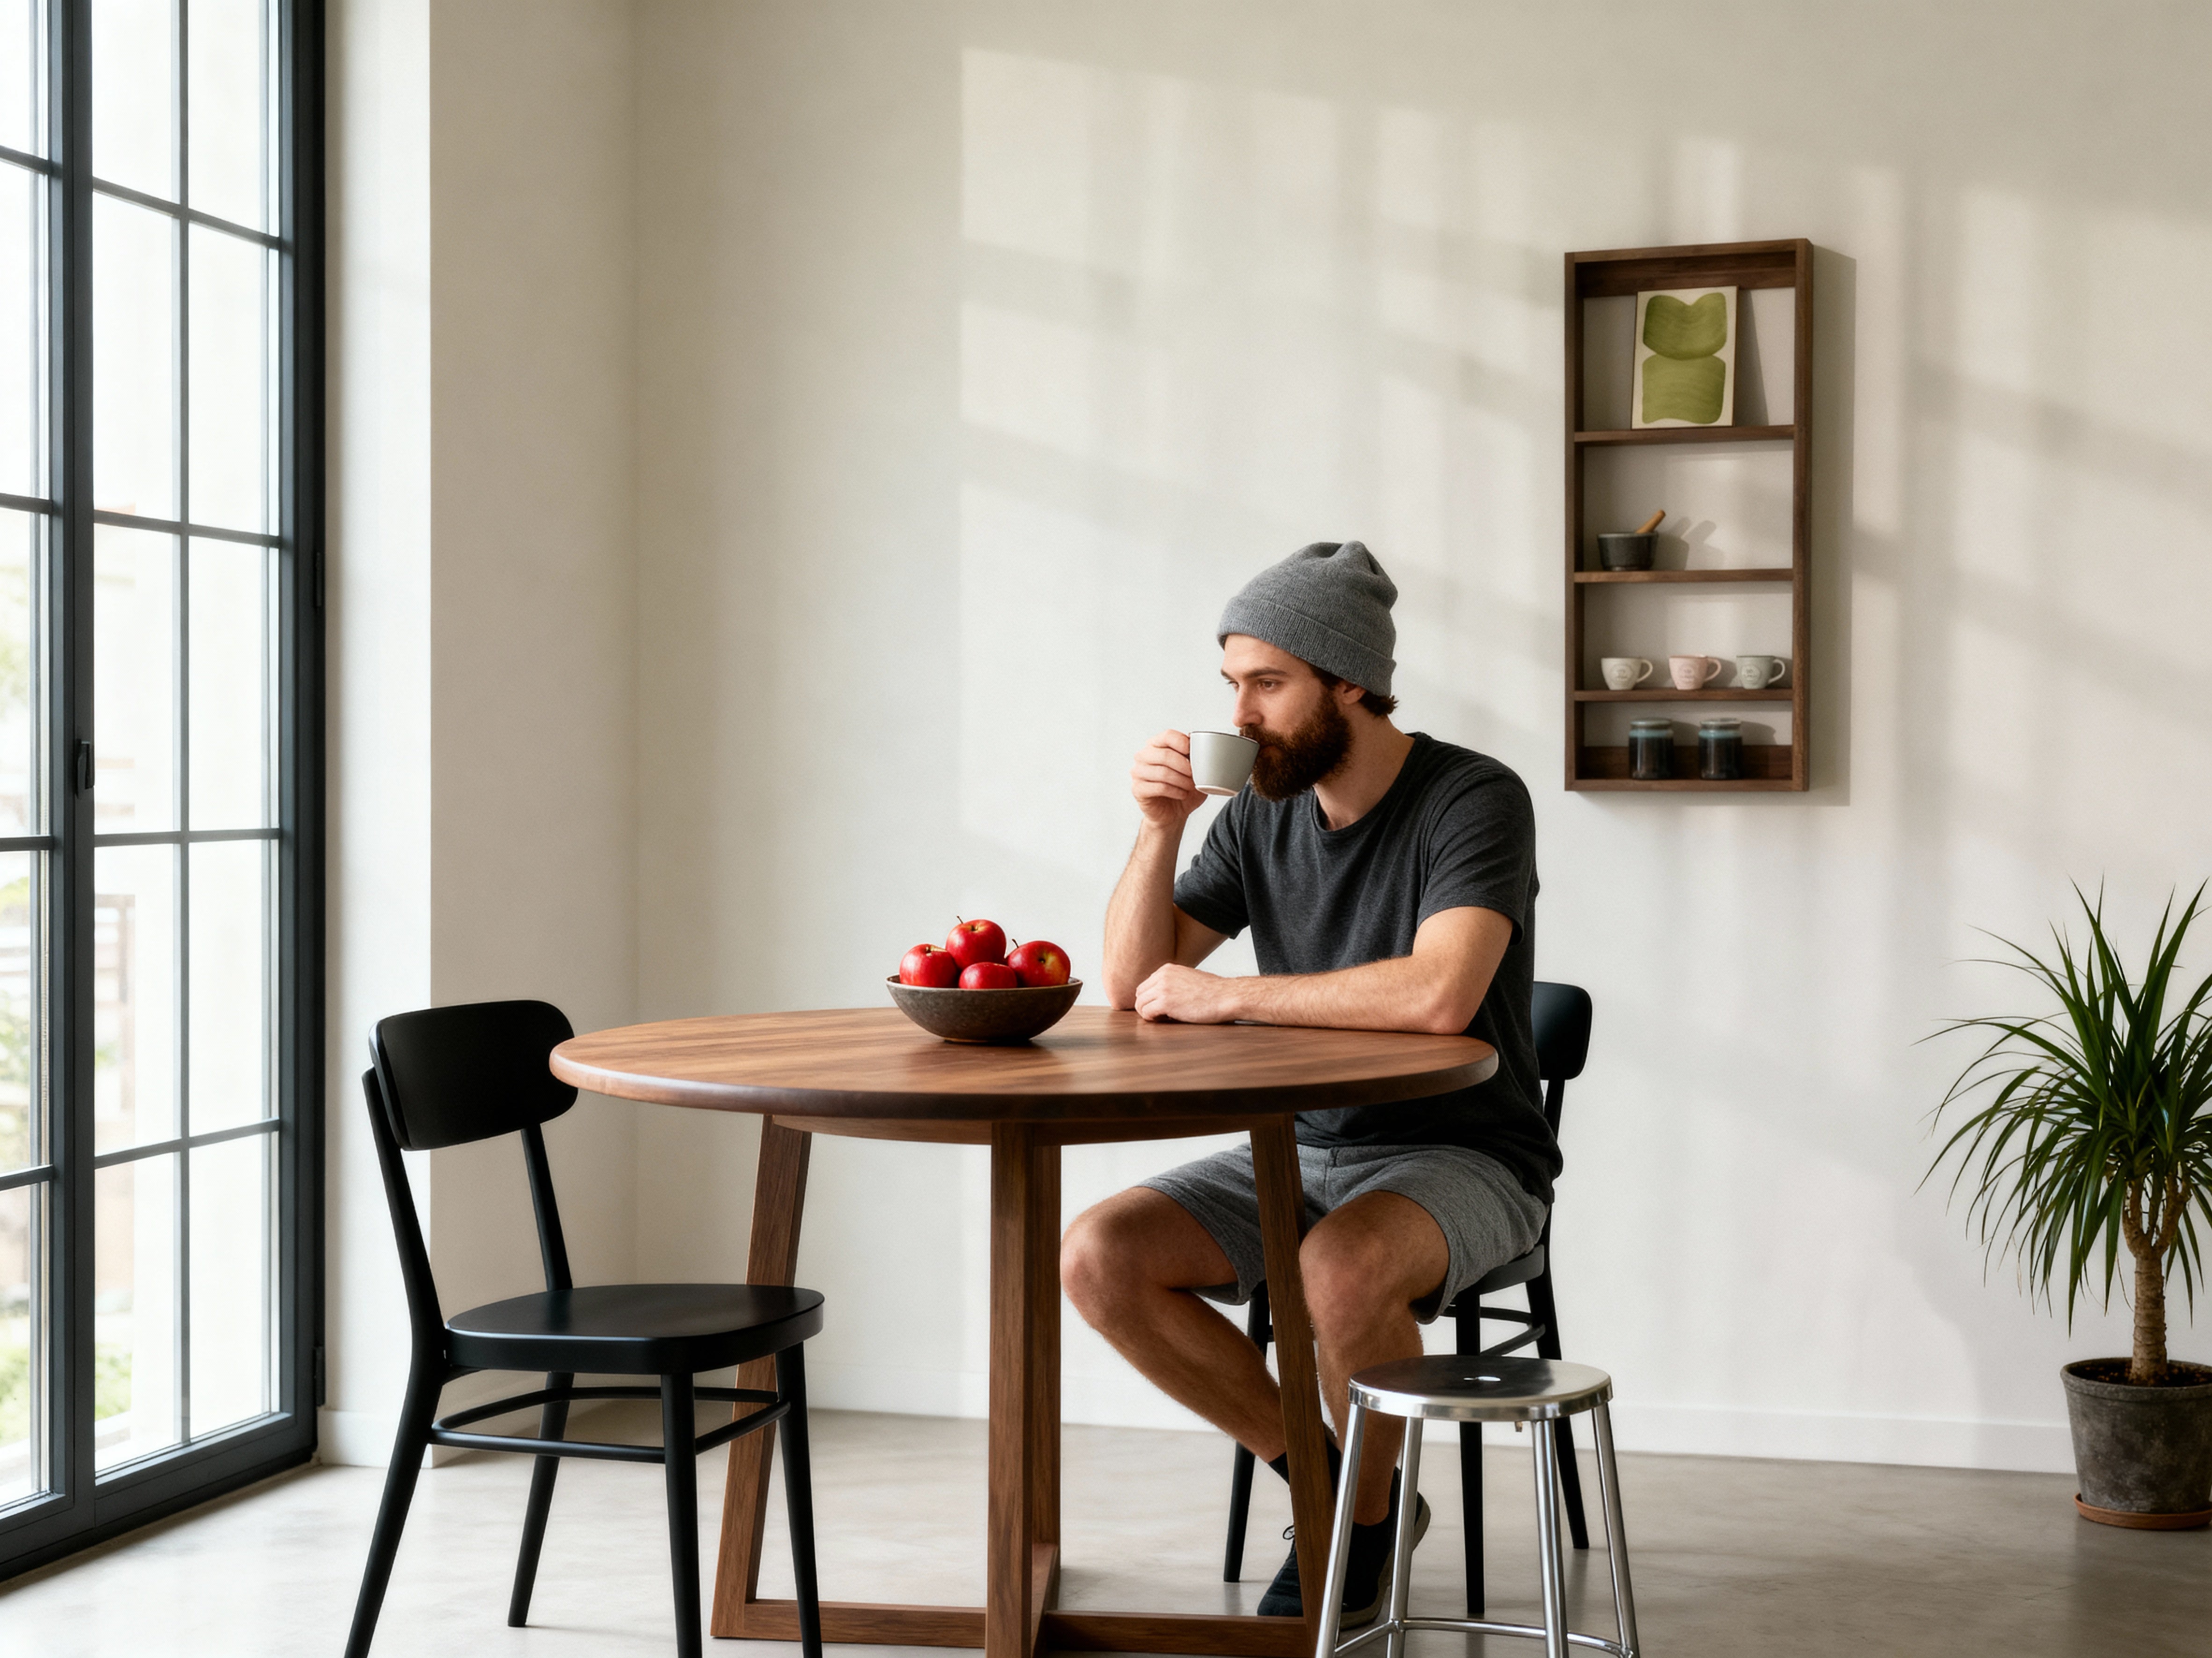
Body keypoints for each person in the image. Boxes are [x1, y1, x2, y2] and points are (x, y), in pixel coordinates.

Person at [1060, 540, 1558, 1626]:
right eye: (1230, 683)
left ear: (1349, 682)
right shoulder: (1258, 813)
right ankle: (1340, 1492)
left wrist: (1235, 997)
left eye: (1267, 683)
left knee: (1337, 1269)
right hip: (1297, 1145)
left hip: (1470, 1152)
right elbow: (1134, 983)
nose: (1239, 712)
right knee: (1099, 1256)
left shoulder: (1472, 797)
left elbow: (1440, 993)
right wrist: (1159, 830)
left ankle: (1362, 1533)